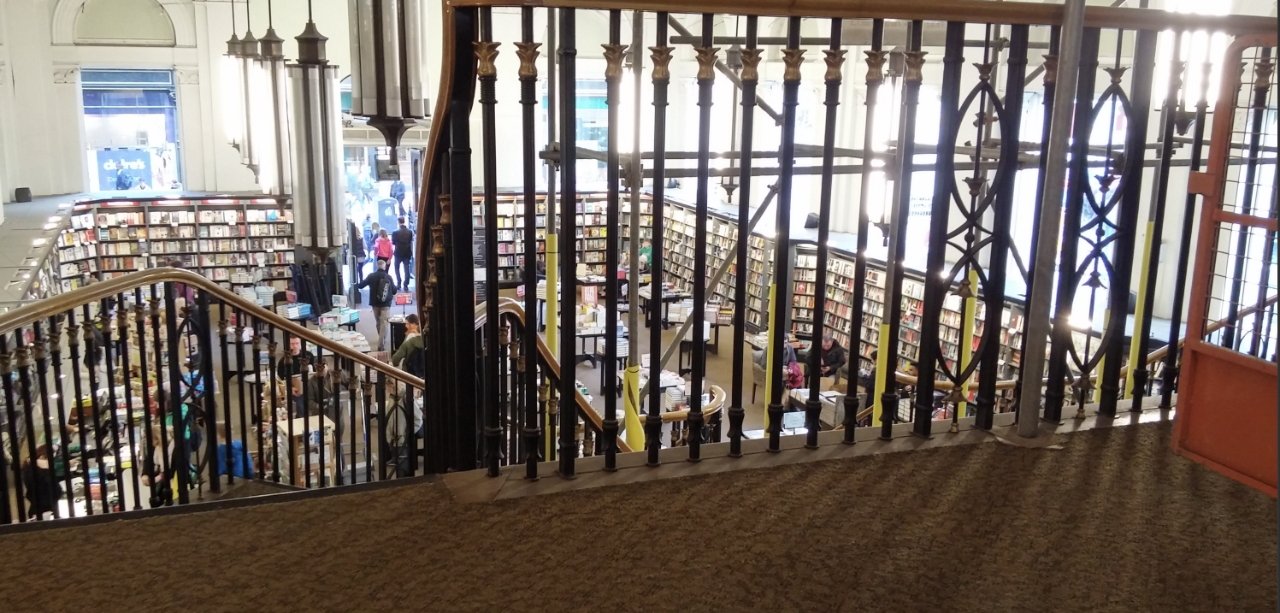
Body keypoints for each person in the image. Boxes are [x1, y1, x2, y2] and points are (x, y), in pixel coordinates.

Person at [355, 260, 397, 351]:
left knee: (378, 322)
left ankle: (381, 340)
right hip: (386, 304)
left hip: (375, 304)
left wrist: (355, 283)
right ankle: (381, 342)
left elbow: (361, 285)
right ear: (384, 266)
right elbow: (394, 291)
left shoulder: (371, 276)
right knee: (384, 323)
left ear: (377, 266)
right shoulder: (388, 277)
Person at [21, 445, 62, 518]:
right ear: (42, 457)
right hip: (45, 512)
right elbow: (56, 491)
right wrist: (47, 470)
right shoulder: (40, 472)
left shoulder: (29, 468)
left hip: (39, 510)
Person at [391, 217, 414, 290]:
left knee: (397, 268)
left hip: (398, 252)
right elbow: (410, 241)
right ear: (404, 221)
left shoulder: (395, 232)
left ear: (398, 222)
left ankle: (399, 283)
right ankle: (406, 285)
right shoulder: (410, 232)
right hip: (407, 252)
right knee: (406, 269)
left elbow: (393, 242)